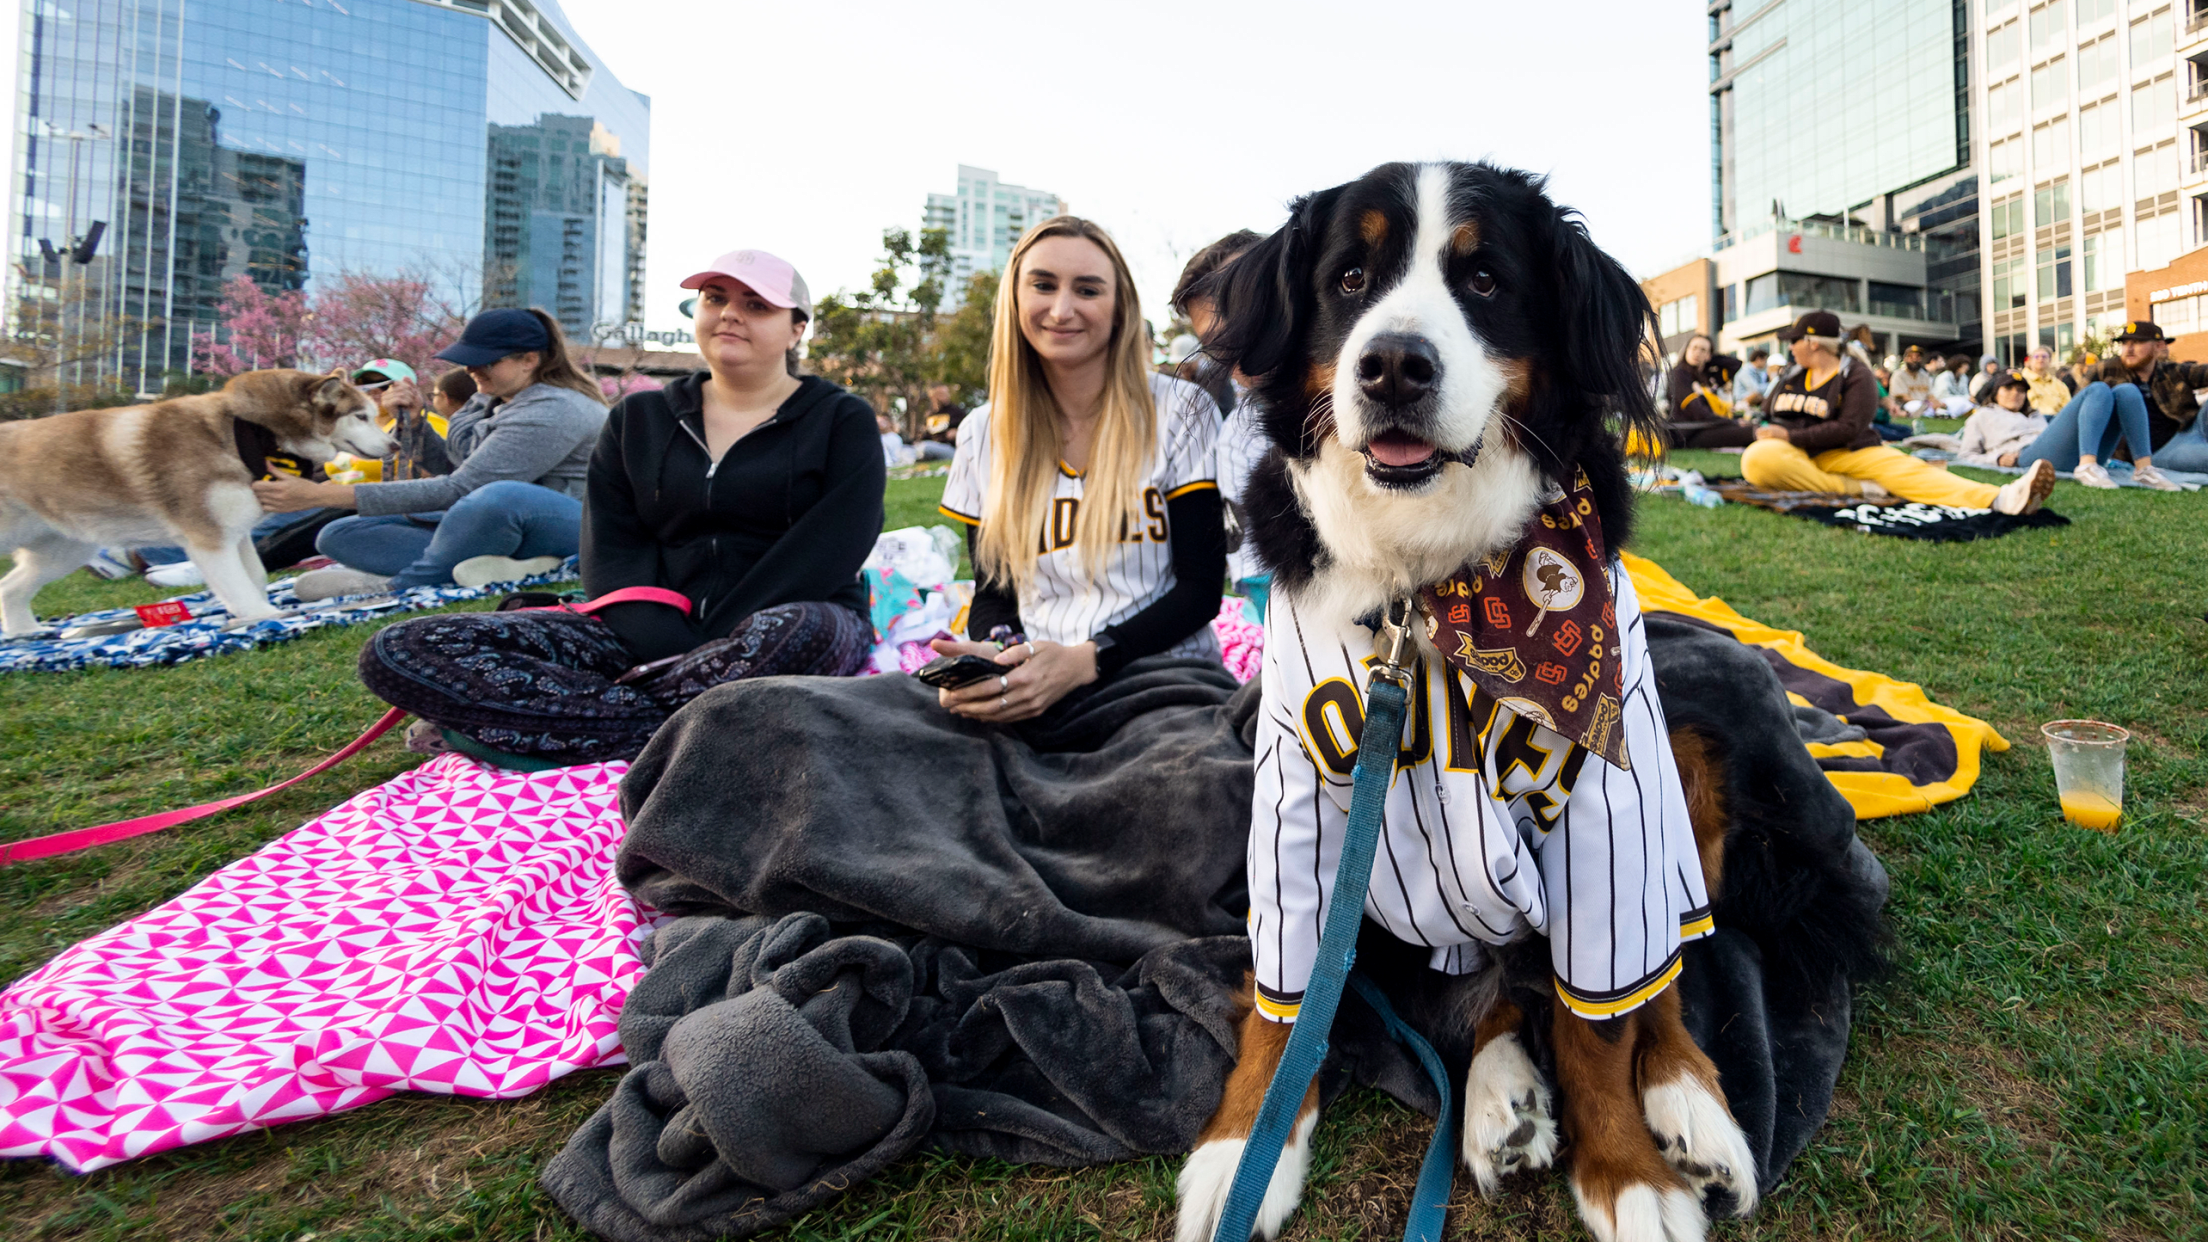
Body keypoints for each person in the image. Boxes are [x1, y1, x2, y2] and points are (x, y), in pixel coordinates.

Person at [356, 248, 884, 762]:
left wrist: (713, 637)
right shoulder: (639, 418)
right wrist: (658, 639)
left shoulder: (840, 419)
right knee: (401, 649)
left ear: (796, 328)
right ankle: (667, 726)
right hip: (643, 628)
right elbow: (611, 543)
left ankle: (538, 727)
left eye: (757, 305)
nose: (729, 314)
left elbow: (831, 543)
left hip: (784, 622)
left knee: (793, 636)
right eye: (715, 298)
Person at [932, 215, 1227, 724]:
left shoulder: (1182, 409)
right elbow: (993, 596)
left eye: (1087, 290)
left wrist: (1086, 660)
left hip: (1163, 679)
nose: (1062, 309)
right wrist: (1001, 654)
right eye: (1043, 285)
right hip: (1039, 680)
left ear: (1119, 310)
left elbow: (1200, 591)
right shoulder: (981, 432)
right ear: (1015, 299)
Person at [257, 308, 610, 600]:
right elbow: (456, 468)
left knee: (499, 495)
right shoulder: (492, 399)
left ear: (529, 360)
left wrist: (319, 494)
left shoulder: (555, 409)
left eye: (484, 361)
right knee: (338, 533)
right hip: (497, 520)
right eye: (469, 360)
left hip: (580, 526)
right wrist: (414, 423)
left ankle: (400, 586)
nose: (472, 369)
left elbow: (463, 489)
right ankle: (517, 565)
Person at [1741, 311, 2055, 513]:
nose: (1789, 348)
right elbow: (1767, 418)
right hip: (1795, 454)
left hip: (1847, 450)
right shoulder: (1791, 375)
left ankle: (2001, 498)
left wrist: (1789, 433)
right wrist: (1775, 434)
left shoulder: (1855, 375)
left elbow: (1849, 428)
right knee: (1757, 459)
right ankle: (1860, 490)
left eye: (1793, 341)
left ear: (1812, 343)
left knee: (1911, 472)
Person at [1172, 229, 1266, 591]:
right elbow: (1262, 583)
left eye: (1248, 311)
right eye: (1216, 341)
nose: (1238, 343)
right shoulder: (1241, 442)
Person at [2012, 320, 2196, 487]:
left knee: (2127, 390)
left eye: (2137, 343)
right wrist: (1998, 457)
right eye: (2009, 388)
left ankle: (2144, 469)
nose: (2015, 393)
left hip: (2072, 442)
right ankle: (2086, 465)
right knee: (2098, 389)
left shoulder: (2057, 385)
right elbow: (1984, 448)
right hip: (2032, 451)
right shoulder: (1990, 412)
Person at [1662, 333, 1755, 448]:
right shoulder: (1678, 375)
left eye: (1703, 350)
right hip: (1687, 433)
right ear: (1686, 350)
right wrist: (1733, 422)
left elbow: (1735, 364)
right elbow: (1699, 413)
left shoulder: (1706, 376)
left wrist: (1710, 359)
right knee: (1751, 432)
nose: (1697, 353)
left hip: (1706, 426)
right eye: (1694, 348)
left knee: (1751, 426)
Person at [1952, 370, 2050, 467]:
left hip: (2051, 447)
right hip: (2024, 453)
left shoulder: (2035, 415)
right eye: (2008, 388)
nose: (2015, 393)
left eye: (2020, 390)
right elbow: (1966, 455)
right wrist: (1998, 459)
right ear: (1996, 393)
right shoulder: (1983, 416)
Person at [917, 383, 966, 461]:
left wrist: (957, 432)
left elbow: (968, 430)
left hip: (950, 449)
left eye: (946, 393)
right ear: (932, 396)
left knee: (925, 447)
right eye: (941, 394)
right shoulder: (930, 415)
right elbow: (925, 436)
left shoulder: (956, 412)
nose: (945, 396)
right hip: (931, 446)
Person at [1889, 344, 1937, 417]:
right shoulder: (1898, 375)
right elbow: (1903, 397)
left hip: (1925, 405)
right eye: (1910, 357)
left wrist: (1936, 403)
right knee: (1916, 406)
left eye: (1917, 357)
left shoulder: (1924, 375)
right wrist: (1923, 404)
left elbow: (1930, 395)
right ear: (1905, 359)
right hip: (1906, 405)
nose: (1914, 359)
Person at [2020, 346, 2072, 414]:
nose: (2040, 359)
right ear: (2030, 361)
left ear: (2050, 361)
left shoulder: (2060, 385)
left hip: (2056, 420)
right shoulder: (2021, 381)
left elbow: (2068, 409)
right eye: (2036, 356)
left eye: (2044, 356)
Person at [1731, 345, 1773, 412]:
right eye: (1765, 360)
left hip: (1751, 400)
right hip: (1741, 401)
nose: (1766, 364)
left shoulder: (1758, 372)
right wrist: (1772, 384)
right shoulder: (1745, 371)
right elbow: (1755, 389)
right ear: (1758, 359)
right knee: (1757, 395)